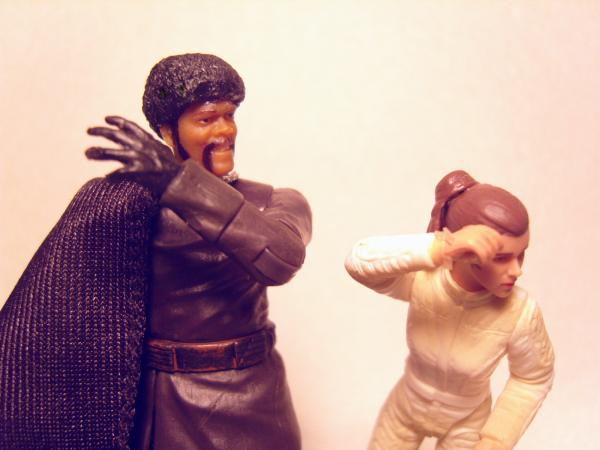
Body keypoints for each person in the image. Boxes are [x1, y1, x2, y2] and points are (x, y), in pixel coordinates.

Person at [345, 170, 553, 450]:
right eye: (501, 258)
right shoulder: (424, 278)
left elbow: (533, 377)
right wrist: (440, 247)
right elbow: (358, 262)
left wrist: (496, 438)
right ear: (469, 253)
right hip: (407, 405)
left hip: (467, 422)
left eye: (521, 254)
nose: (517, 270)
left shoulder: (521, 312)